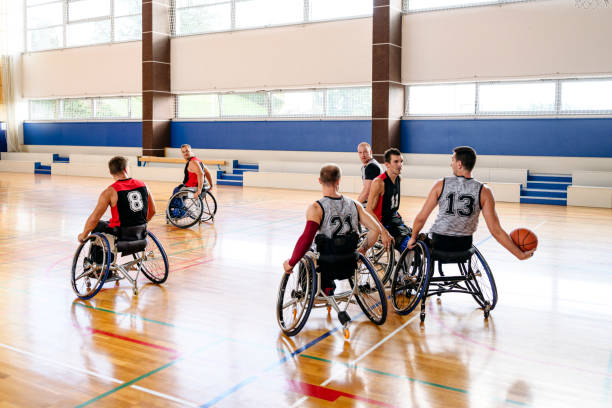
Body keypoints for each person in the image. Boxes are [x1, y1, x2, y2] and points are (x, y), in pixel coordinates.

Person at [406, 146, 535, 260]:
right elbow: (496, 231)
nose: (451, 164)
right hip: (464, 245)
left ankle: (406, 276)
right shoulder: (484, 191)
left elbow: (421, 218)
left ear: (459, 164)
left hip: (440, 242)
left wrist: (413, 238)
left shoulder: (441, 184)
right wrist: (519, 254)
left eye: (452, 160)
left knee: (410, 238)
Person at [283, 164, 389, 295]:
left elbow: (306, 240)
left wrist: (291, 262)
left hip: (327, 263)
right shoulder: (355, 204)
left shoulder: (317, 208)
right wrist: (362, 250)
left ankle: (319, 289)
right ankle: (328, 287)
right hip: (350, 260)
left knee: (309, 252)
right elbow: (376, 229)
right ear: (339, 180)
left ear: (319, 181)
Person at [78, 156, 156, 243]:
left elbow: (94, 219)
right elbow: (152, 211)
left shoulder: (110, 192)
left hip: (121, 234)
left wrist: (83, 235)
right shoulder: (144, 185)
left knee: (98, 224)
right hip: (140, 231)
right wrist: (139, 225)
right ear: (126, 169)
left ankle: (96, 257)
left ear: (111, 172)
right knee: (107, 222)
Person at [366, 147, 411, 252]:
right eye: (396, 162)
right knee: (407, 245)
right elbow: (368, 210)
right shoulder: (379, 183)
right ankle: (400, 268)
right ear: (387, 164)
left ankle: (405, 266)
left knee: (418, 240)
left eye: (401, 161)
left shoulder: (398, 179)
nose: (400, 165)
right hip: (382, 222)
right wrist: (383, 232)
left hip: (394, 220)